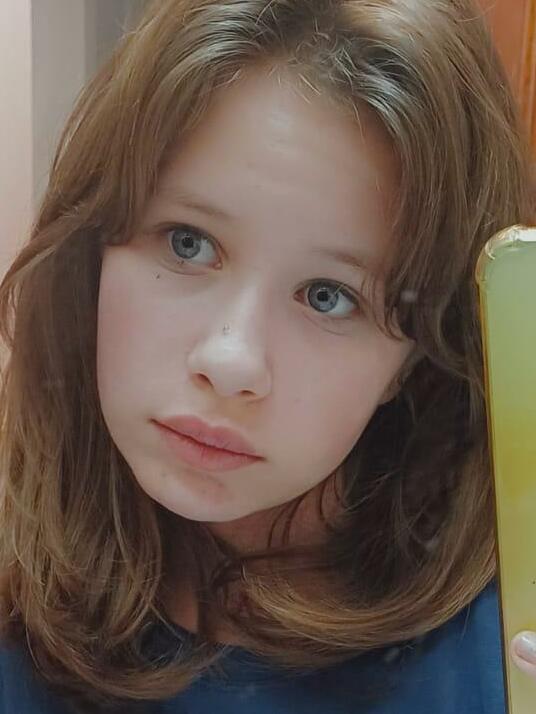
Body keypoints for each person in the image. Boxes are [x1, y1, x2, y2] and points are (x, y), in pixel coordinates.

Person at [0, 0, 535, 712]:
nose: (231, 362)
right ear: (90, 248)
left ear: (414, 357)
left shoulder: (500, 655)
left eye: (327, 296)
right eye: (188, 243)